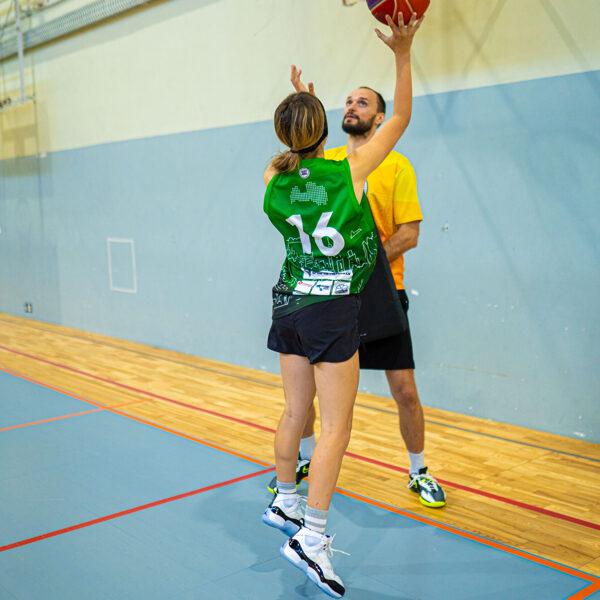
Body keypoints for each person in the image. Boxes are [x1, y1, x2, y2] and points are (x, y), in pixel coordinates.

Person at [261, 13, 422, 598]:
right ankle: (313, 536)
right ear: (325, 129)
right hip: (332, 313)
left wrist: (304, 112)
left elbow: (300, 153)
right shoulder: (349, 171)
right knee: (336, 429)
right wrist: (403, 52)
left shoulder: (273, 180)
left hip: (288, 306)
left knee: (292, 415)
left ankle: (283, 499)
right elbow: (399, 116)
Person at [271, 22, 446, 512]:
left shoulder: (388, 164)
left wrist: (364, 261)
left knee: (405, 391)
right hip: (329, 296)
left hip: (379, 291)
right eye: (345, 102)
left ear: (378, 116)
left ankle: (418, 469)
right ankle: (302, 465)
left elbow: (409, 234)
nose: (351, 106)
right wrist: (309, 106)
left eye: (362, 102)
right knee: (307, 405)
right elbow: (306, 147)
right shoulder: (331, 164)